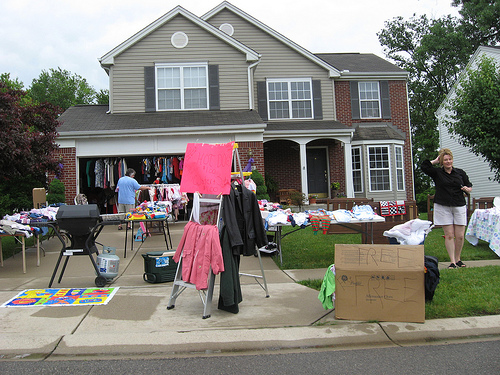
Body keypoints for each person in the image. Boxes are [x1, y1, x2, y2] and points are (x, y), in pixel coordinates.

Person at [421, 148, 472, 269]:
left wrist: (467, 189)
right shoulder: (437, 173)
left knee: (459, 236)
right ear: (442, 162)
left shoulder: (460, 173)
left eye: (450, 159)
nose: (448, 162)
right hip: (443, 206)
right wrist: (435, 161)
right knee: (449, 235)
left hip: (459, 204)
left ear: (452, 160)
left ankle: (458, 259)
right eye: (445, 160)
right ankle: (452, 261)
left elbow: (469, 185)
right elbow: (424, 166)